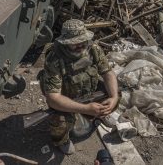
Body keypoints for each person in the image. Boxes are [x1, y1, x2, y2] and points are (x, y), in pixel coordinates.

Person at [39, 19, 119, 155]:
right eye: (74, 43)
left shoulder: (93, 49)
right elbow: (53, 98)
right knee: (59, 121)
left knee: (116, 93)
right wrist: (86, 109)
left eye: (83, 40)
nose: (80, 45)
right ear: (66, 42)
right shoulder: (54, 59)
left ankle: (101, 114)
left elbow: (107, 72)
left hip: (89, 91)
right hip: (66, 99)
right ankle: (62, 141)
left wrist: (114, 97)